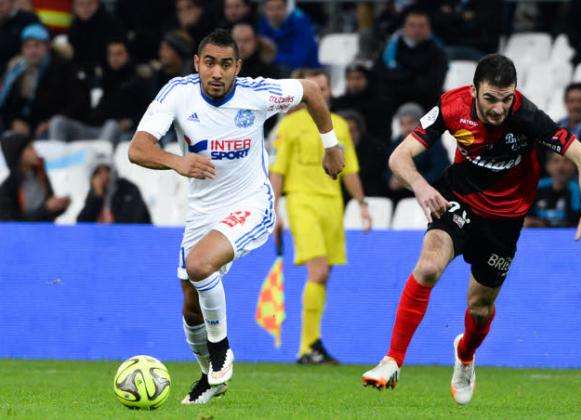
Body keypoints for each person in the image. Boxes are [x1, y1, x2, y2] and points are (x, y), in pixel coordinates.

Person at [361, 54, 581, 405]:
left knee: (479, 308)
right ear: (475, 90)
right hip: (457, 198)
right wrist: (420, 186)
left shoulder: (528, 118)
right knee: (429, 267)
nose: (498, 108)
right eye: (491, 98)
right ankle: (392, 360)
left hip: (505, 220)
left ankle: (465, 355)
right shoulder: (452, 106)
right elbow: (399, 157)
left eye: (506, 99)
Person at [127, 29, 344, 404]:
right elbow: (138, 148)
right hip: (201, 212)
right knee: (190, 302)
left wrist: (331, 144)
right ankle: (209, 377)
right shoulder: (177, 93)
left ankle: (221, 350)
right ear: (197, 63)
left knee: (199, 266)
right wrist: (178, 161)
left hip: (251, 204)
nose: (216, 72)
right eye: (209, 62)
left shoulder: (256, 94)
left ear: (237, 67)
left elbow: (310, 89)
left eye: (226, 64)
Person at [269, 68, 371, 364]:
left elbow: (350, 169)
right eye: (316, 88)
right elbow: (278, 171)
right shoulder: (290, 126)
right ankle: (307, 346)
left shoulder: (339, 125)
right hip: (302, 202)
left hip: (332, 204)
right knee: (319, 271)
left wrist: (362, 204)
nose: (321, 93)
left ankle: (313, 344)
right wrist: (274, 210)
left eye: (324, 88)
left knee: (323, 277)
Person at [49, 38, 152, 143]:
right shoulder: (101, 78)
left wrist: (130, 122)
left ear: (127, 55)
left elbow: (149, 111)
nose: (114, 58)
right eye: (111, 54)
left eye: (119, 54)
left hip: (121, 132)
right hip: (94, 129)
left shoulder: (138, 81)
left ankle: (100, 157)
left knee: (111, 124)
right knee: (58, 122)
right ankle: (57, 158)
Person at [0, 23, 90, 138]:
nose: (32, 51)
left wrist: (49, 123)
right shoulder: (17, 71)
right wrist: (13, 122)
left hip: (52, 128)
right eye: (27, 46)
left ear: (47, 47)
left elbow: (78, 103)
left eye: (37, 45)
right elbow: (6, 106)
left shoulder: (64, 69)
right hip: (22, 129)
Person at [380, 7, 448, 110]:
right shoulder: (390, 50)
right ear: (404, 27)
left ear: (428, 28)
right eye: (412, 25)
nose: (417, 30)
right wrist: (414, 77)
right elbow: (383, 77)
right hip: (394, 104)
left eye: (421, 26)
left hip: (427, 104)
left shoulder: (437, 52)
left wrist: (402, 76)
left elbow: (433, 85)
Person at [385, 102, 449, 205]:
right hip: (401, 198)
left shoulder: (433, 142)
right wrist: (391, 180)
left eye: (410, 123)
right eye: (402, 124)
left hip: (431, 195)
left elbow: (441, 168)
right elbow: (387, 168)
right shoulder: (396, 144)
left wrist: (414, 182)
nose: (406, 128)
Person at [0, 131, 70, 220]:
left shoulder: (40, 175)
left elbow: (48, 212)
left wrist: (60, 206)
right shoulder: (8, 187)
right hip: (25, 233)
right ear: (18, 154)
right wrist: (46, 209)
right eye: (30, 148)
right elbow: (12, 224)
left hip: (45, 230)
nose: (36, 152)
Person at [77, 156, 151, 224]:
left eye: (106, 171)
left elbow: (129, 221)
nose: (103, 176)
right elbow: (82, 224)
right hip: (106, 237)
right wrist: (97, 198)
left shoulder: (128, 189)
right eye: (98, 173)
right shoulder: (95, 194)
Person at [332, 61, 393, 142]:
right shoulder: (338, 104)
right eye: (350, 78)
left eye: (358, 78)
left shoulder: (380, 104)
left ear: (367, 79)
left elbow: (383, 136)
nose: (354, 83)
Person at [257, 0, 320, 74]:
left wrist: (273, 57)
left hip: (307, 72)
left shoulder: (300, 23)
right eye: (270, 9)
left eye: (279, 8)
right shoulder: (262, 24)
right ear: (264, 9)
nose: (275, 13)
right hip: (278, 70)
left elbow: (299, 60)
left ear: (286, 7)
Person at [67, 0, 124, 81]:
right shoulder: (74, 26)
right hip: (81, 75)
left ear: (97, 4)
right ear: (74, 6)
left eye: (90, 3)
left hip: (108, 76)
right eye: (81, 4)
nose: (85, 8)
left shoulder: (111, 24)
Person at [525, 153, 581, 228]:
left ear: (574, 166)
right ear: (547, 166)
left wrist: (545, 224)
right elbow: (526, 219)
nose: (561, 167)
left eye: (566, 161)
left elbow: (576, 222)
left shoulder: (578, 190)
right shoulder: (536, 187)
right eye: (556, 161)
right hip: (538, 235)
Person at [0, 0, 40, 75]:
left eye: (2, 3)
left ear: (12, 2)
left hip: (20, 69)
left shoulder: (28, 19)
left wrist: (23, 57)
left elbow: (39, 46)